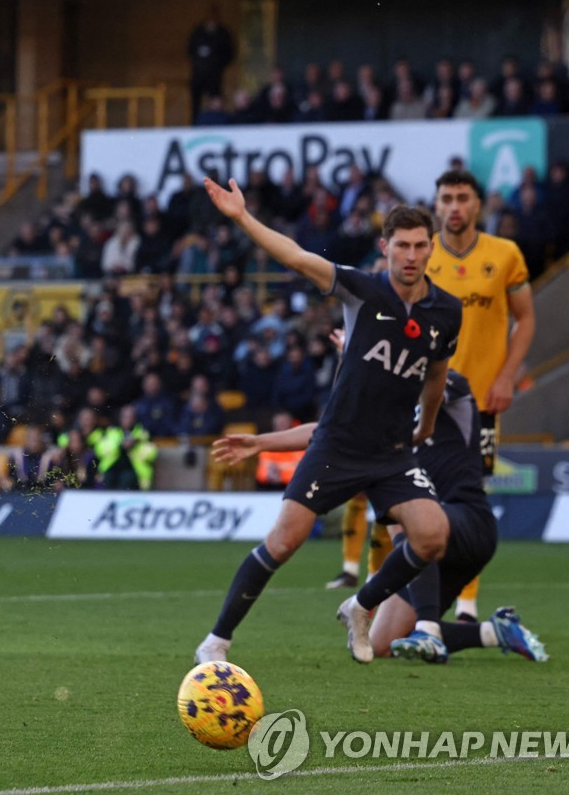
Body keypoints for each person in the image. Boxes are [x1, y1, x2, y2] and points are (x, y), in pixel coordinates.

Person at [193, 176, 462, 665]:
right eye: (401, 245)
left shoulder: (447, 311)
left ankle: (359, 606)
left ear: (431, 248)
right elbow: (297, 257)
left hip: (394, 453)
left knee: (433, 534)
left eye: (421, 246)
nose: (411, 255)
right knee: (283, 542)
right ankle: (216, 641)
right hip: (336, 446)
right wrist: (242, 217)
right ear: (385, 248)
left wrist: (424, 429)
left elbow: (436, 375)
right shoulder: (362, 289)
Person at [212, 370, 547, 665]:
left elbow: (425, 383)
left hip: (467, 520)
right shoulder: (385, 420)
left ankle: (427, 628)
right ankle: (494, 632)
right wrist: (259, 442)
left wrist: (367, 356)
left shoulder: (450, 383)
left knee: (405, 507)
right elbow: (326, 432)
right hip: (430, 547)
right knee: (383, 643)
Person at [429, 168, 535, 621]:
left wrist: (507, 375)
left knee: (470, 497)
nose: (455, 206)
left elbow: (526, 319)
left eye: (463, 198)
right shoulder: (418, 254)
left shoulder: (505, 254)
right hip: (424, 396)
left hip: (480, 403)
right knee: (411, 496)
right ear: (436, 205)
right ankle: (393, 601)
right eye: (447, 198)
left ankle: (467, 604)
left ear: (478, 204)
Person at [187, 7, 235, 123]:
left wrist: (218, 64)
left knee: (215, 100)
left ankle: (218, 123)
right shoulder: (198, 31)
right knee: (196, 103)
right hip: (198, 74)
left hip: (215, 75)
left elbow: (229, 53)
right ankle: (195, 124)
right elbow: (190, 50)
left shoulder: (223, 33)